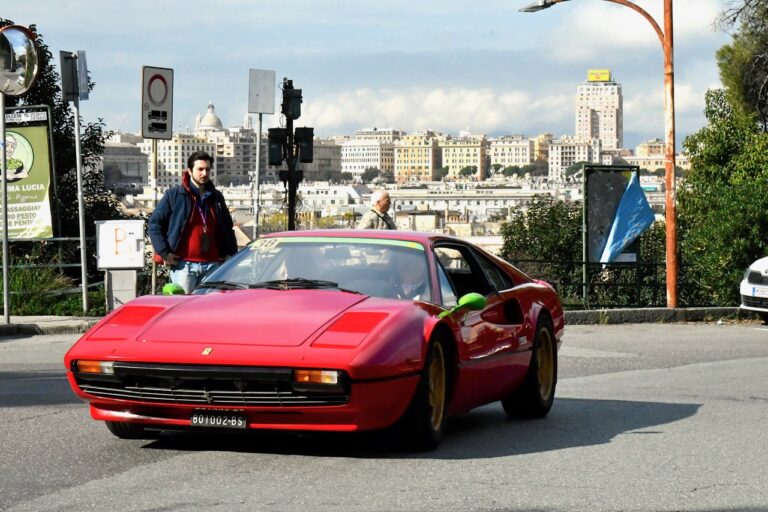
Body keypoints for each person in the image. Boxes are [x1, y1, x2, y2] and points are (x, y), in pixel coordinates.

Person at [148, 151, 238, 293]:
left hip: (213, 266)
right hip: (184, 266)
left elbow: (227, 227)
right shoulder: (175, 195)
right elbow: (154, 224)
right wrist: (165, 253)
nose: (204, 173)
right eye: (200, 169)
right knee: (184, 310)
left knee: (210, 310)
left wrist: (230, 254)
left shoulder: (216, 197)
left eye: (207, 169)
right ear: (189, 171)